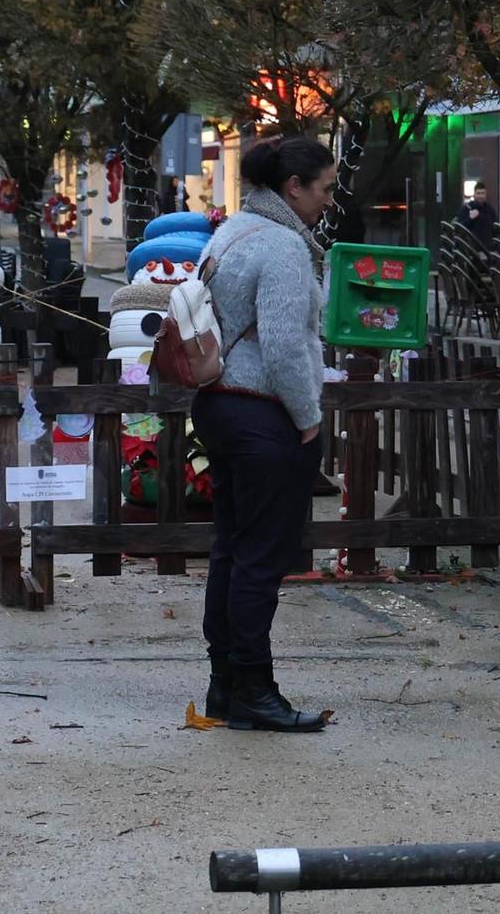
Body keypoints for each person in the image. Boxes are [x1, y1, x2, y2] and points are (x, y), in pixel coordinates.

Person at [195, 135, 336, 732]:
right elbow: (282, 348)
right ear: (293, 187)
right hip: (261, 413)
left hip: (220, 406)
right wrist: (309, 420)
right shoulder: (281, 246)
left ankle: (225, 683)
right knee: (259, 558)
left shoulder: (232, 230)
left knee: (232, 550)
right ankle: (254, 688)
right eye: (324, 188)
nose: (330, 200)